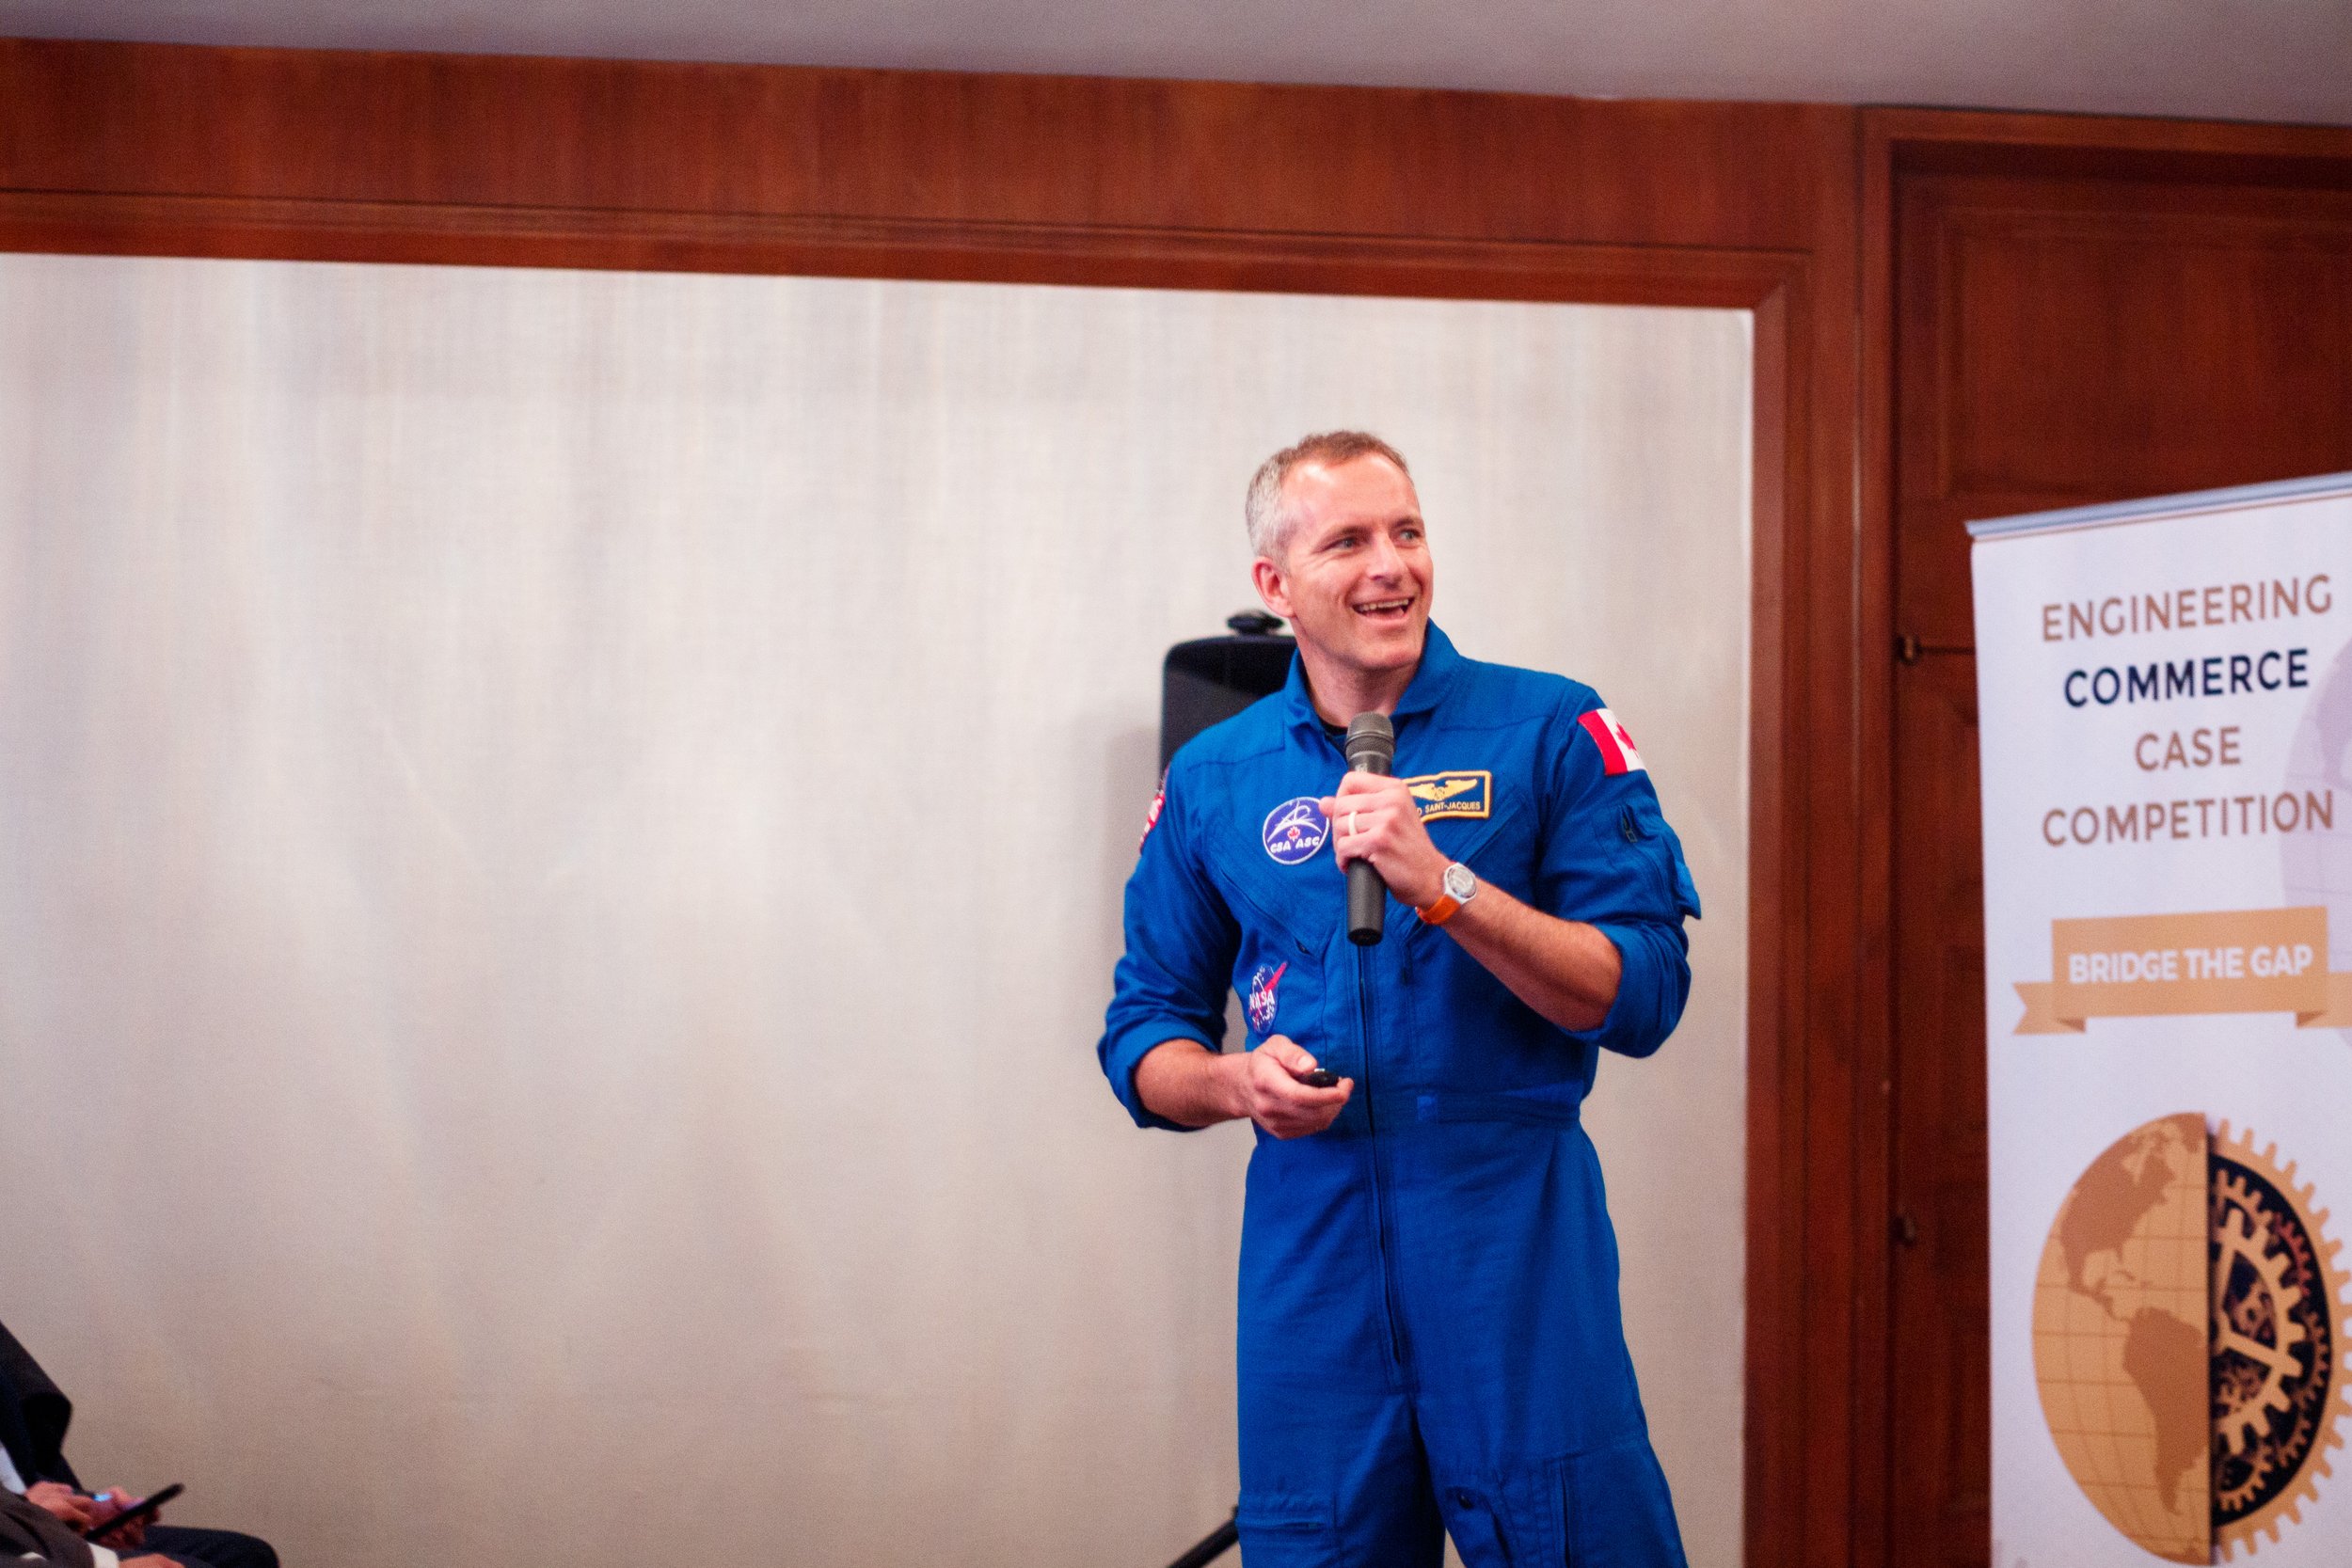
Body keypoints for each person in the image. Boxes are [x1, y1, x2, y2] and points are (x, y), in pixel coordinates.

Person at [1099, 432, 1701, 1567]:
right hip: (1310, 1255)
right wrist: (1235, 1081)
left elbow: (1645, 990)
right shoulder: (1214, 777)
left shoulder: (1549, 729)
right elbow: (1141, 1036)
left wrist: (1447, 887)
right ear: (1274, 586)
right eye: (1349, 540)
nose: (1393, 566)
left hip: (1509, 1237)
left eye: (1408, 531)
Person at [0, 1321, 276, 1568]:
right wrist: (28, 1515)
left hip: (34, 1527)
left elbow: (19, 1477)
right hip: (17, 1545)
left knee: (249, 1556)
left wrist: (88, 1506)